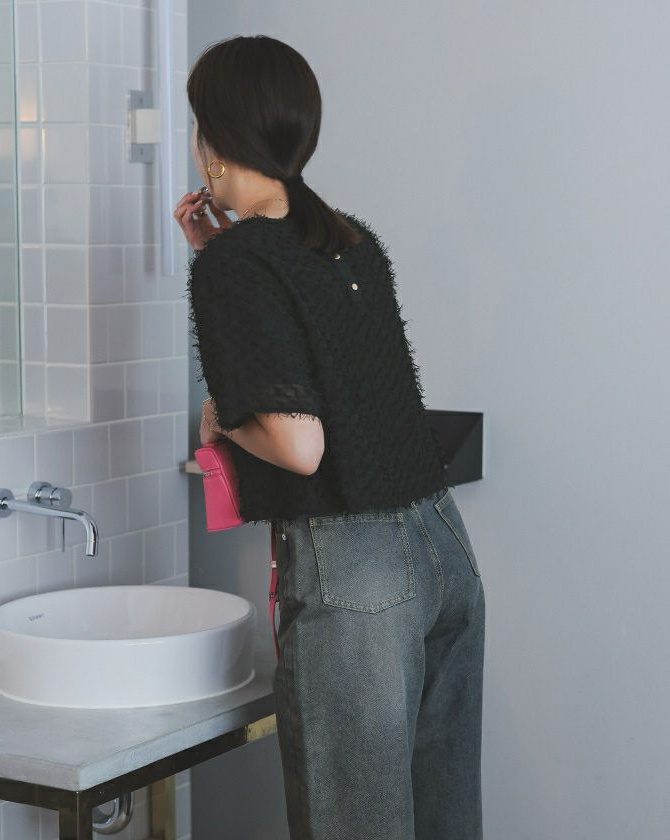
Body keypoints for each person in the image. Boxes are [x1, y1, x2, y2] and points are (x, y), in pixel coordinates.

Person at [176, 34, 485, 840]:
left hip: (356, 576)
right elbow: (320, 347)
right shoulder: (349, 240)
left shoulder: (238, 267)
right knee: (444, 820)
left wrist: (222, 420)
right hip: (442, 548)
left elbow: (300, 446)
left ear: (214, 140)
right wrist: (224, 256)